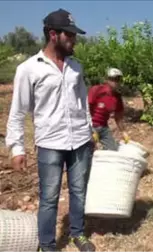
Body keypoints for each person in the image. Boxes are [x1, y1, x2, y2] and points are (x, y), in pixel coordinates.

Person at [5, 9, 95, 252]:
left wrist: (90, 133)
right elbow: (17, 111)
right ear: (53, 35)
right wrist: (17, 147)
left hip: (80, 140)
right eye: (70, 35)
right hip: (50, 143)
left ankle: (78, 233)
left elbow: (82, 102)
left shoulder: (76, 67)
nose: (74, 40)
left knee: (79, 191)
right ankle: (47, 244)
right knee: (49, 198)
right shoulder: (29, 69)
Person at [88, 67, 130, 150]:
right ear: (107, 79)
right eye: (113, 79)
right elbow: (86, 108)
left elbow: (118, 117)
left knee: (113, 150)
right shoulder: (97, 90)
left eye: (118, 79)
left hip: (103, 127)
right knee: (90, 150)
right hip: (91, 125)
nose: (115, 82)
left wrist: (123, 131)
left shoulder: (117, 97)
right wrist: (90, 129)